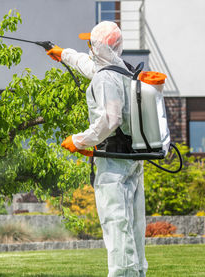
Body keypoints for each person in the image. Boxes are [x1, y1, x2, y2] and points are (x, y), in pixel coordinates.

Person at [47, 21, 148, 277]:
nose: (88, 47)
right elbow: (88, 65)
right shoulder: (123, 71)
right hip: (131, 159)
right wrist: (64, 54)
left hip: (114, 164)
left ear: (100, 46)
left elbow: (109, 120)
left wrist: (79, 140)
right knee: (134, 225)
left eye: (91, 43)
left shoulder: (106, 79)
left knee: (116, 224)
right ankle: (136, 273)